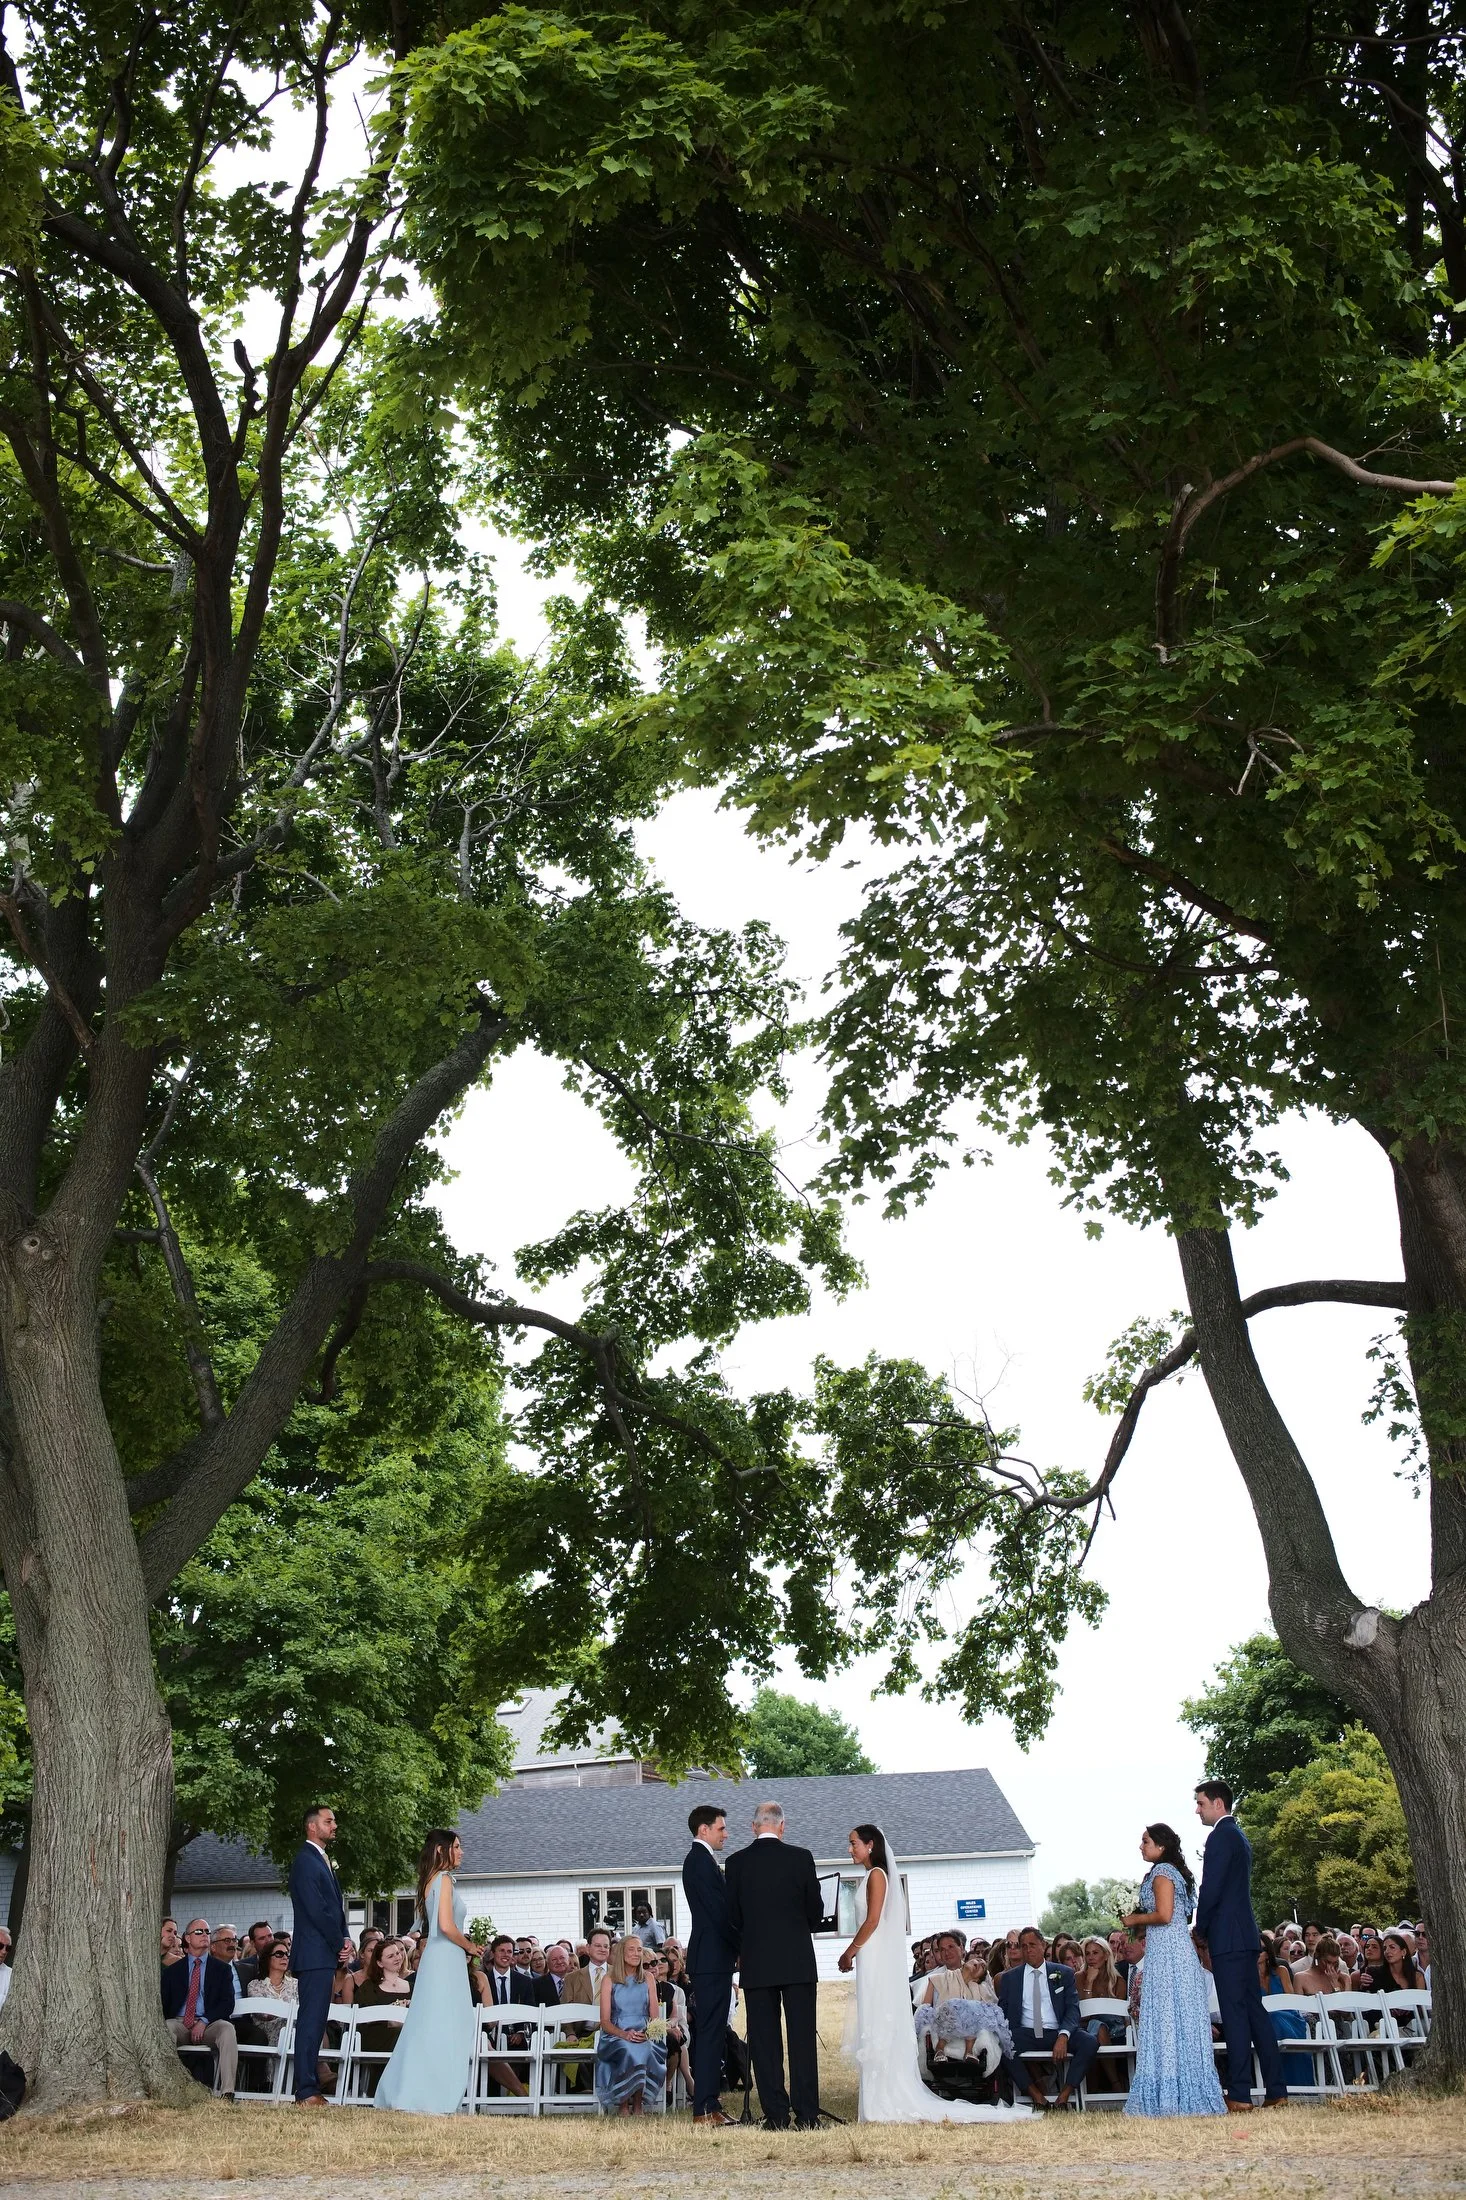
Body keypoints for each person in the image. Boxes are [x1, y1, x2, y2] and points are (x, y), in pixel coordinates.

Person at [725, 1799, 824, 2131]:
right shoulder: (801, 1858)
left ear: (753, 1827)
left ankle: (777, 2115)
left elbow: (733, 1917)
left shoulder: (736, 1863)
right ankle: (808, 2114)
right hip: (797, 1960)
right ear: (782, 1826)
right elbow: (815, 1911)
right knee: (801, 2040)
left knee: (764, 2042)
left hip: (757, 1962)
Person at [1118, 1825, 1225, 2117]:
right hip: (1172, 1950)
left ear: (1161, 1845)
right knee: (1175, 2020)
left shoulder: (1163, 1872)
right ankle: (1178, 2090)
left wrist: (1134, 1918)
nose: (1141, 1846)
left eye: (1145, 1841)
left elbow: (1165, 1915)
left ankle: (1175, 2095)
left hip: (1169, 1954)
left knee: (1168, 2019)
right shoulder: (1172, 1872)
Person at [1194, 1780, 1287, 2111]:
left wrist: (1200, 1927)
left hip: (1228, 1938)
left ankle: (1239, 2094)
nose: (1197, 1809)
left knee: (1234, 2015)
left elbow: (1211, 1888)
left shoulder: (1220, 1836)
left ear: (1218, 1804)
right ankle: (1276, 2089)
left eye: (1201, 1803)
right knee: (1254, 2012)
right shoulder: (1238, 1835)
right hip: (1244, 1936)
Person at [376, 1829, 482, 2114]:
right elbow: (446, 1927)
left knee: (429, 2024)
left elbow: (417, 1928)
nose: (461, 1852)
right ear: (441, 1850)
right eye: (457, 1847)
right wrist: (470, 1946)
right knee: (446, 2025)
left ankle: (416, 2091)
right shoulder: (444, 1880)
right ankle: (432, 2094)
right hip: (446, 1958)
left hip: (437, 1958)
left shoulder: (428, 1881)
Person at [901, 1916, 1021, 2116]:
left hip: (973, 2029)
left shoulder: (980, 1972)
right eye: (942, 1949)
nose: (947, 1952)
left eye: (951, 1947)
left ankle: (975, 2063)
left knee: (977, 2018)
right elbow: (924, 2007)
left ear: (962, 1949)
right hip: (943, 2026)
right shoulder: (935, 1978)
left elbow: (990, 2003)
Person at [995, 1926, 1099, 2110]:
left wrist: (1063, 2035)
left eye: (1033, 1945)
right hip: (1026, 2032)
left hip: (1057, 2031)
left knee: (1089, 2042)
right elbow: (1003, 2011)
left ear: (1043, 1945)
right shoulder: (1010, 1978)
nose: (1028, 1950)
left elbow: (1073, 2010)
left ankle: (1064, 2096)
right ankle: (1037, 2097)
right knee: (1002, 2044)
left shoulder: (1062, 1973)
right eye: (1024, 1946)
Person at [682, 1800, 738, 2127]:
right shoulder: (699, 1861)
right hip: (711, 1958)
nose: (726, 1834)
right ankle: (704, 2108)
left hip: (713, 1957)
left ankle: (710, 2104)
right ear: (704, 1829)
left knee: (714, 2034)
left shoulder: (703, 1860)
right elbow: (719, 1914)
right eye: (721, 1828)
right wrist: (742, 1945)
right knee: (709, 2034)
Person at [287, 1803, 347, 2107]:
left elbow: (335, 1906)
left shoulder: (322, 1860)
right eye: (329, 1821)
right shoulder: (305, 1861)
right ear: (313, 1826)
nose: (334, 1825)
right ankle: (306, 2090)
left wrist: (345, 1937)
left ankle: (309, 2087)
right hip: (314, 1954)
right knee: (311, 2021)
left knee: (318, 2021)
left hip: (325, 1951)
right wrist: (338, 1942)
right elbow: (316, 1909)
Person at [162, 1917, 239, 2098]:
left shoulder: (222, 1969)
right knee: (167, 2027)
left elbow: (228, 2003)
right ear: (188, 1938)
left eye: (207, 1932)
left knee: (227, 2029)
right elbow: (165, 2004)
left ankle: (228, 2092)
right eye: (199, 1931)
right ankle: (170, 2088)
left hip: (208, 2023)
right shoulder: (173, 1971)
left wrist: (204, 2021)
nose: (204, 1935)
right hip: (181, 2023)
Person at [596, 1933, 666, 2114]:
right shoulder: (609, 1979)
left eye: (639, 1950)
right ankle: (623, 2104)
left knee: (645, 2048)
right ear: (622, 1953)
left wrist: (647, 2034)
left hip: (643, 2032)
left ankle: (638, 2105)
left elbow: (655, 2018)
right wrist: (624, 2034)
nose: (636, 1953)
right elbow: (604, 2021)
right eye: (631, 1949)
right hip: (615, 2034)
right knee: (627, 2048)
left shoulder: (648, 1978)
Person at [1257, 1931, 1307, 2043]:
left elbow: (1291, 2002)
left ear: (1268, 1952)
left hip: (1288, 2018)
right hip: (1262, 2021)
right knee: (1270, 2019)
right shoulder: (1247, 1977)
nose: (1257, 1952)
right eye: (1254, 1949)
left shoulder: (1281, 1971)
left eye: (1261, 1949)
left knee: (1276, 2017)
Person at [245, 1941, 299, 2042]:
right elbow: (262, 2014)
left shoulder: (296, 1984)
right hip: (265, 2041)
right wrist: (288, 2011)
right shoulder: (255, 1985)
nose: (285, 1957)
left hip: (293, 2041)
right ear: (268, 1958)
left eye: (287, 1954)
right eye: (279, 1954)